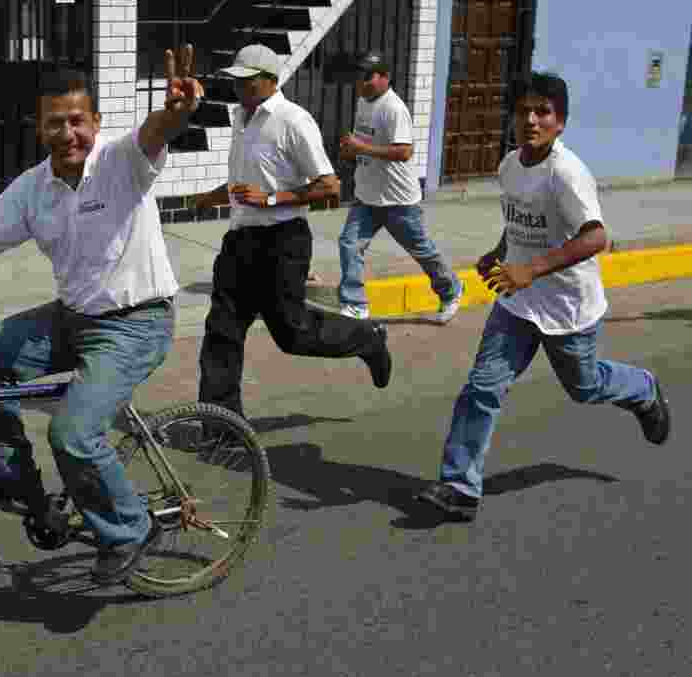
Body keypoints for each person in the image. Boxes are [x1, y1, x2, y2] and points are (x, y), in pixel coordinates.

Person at [0, 48, 205, 585]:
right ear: (40, 129)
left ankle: (126, 530)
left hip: (136, 322)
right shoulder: (33, 187)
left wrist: (176, 111)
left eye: (78, 121)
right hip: (73, 318)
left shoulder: (123, 160)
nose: (68, 133)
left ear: (96, 123)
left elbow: (157, 131)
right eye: (56, 123)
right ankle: (18, 479)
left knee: (74, 434)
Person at [415, 71, 672, 521]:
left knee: (585, 387)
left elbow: (596, 238)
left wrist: (530, 269)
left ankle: (644, 389)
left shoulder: (567, 174)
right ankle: (459, 486)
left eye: (543, 112)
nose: (532, 120)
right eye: (523, 112)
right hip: (517, 303)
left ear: (561, 122)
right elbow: (522, 223)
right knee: (482, 386)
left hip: (567, 308)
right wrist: (498, 254)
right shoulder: (510, 165)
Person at [185, 44, 393, 420]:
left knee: (292, 333)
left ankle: (367, 338)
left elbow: (330, 187)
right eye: (237, 81)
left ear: (269, 80)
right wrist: (209, 197)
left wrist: (270, 199)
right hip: (239, 242)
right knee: (222, 331)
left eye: (247, 82)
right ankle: (221, 426)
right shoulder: (240, 117)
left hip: (282, 241)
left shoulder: (293, 120)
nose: (239, 89)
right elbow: (243, 182)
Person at [337, 50, 463, 323]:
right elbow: (364, 143)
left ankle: (451, 291)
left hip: (398, 201)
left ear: (384, 77)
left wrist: (361, 147)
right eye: (360, 76)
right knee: (349, 244)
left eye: (369, 77)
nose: (363, 82)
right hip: (367, 196)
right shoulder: (362, 102)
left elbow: (404, 151)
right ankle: (355, 304)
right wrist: (352, 152)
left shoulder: (394, 108)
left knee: (422, 251)